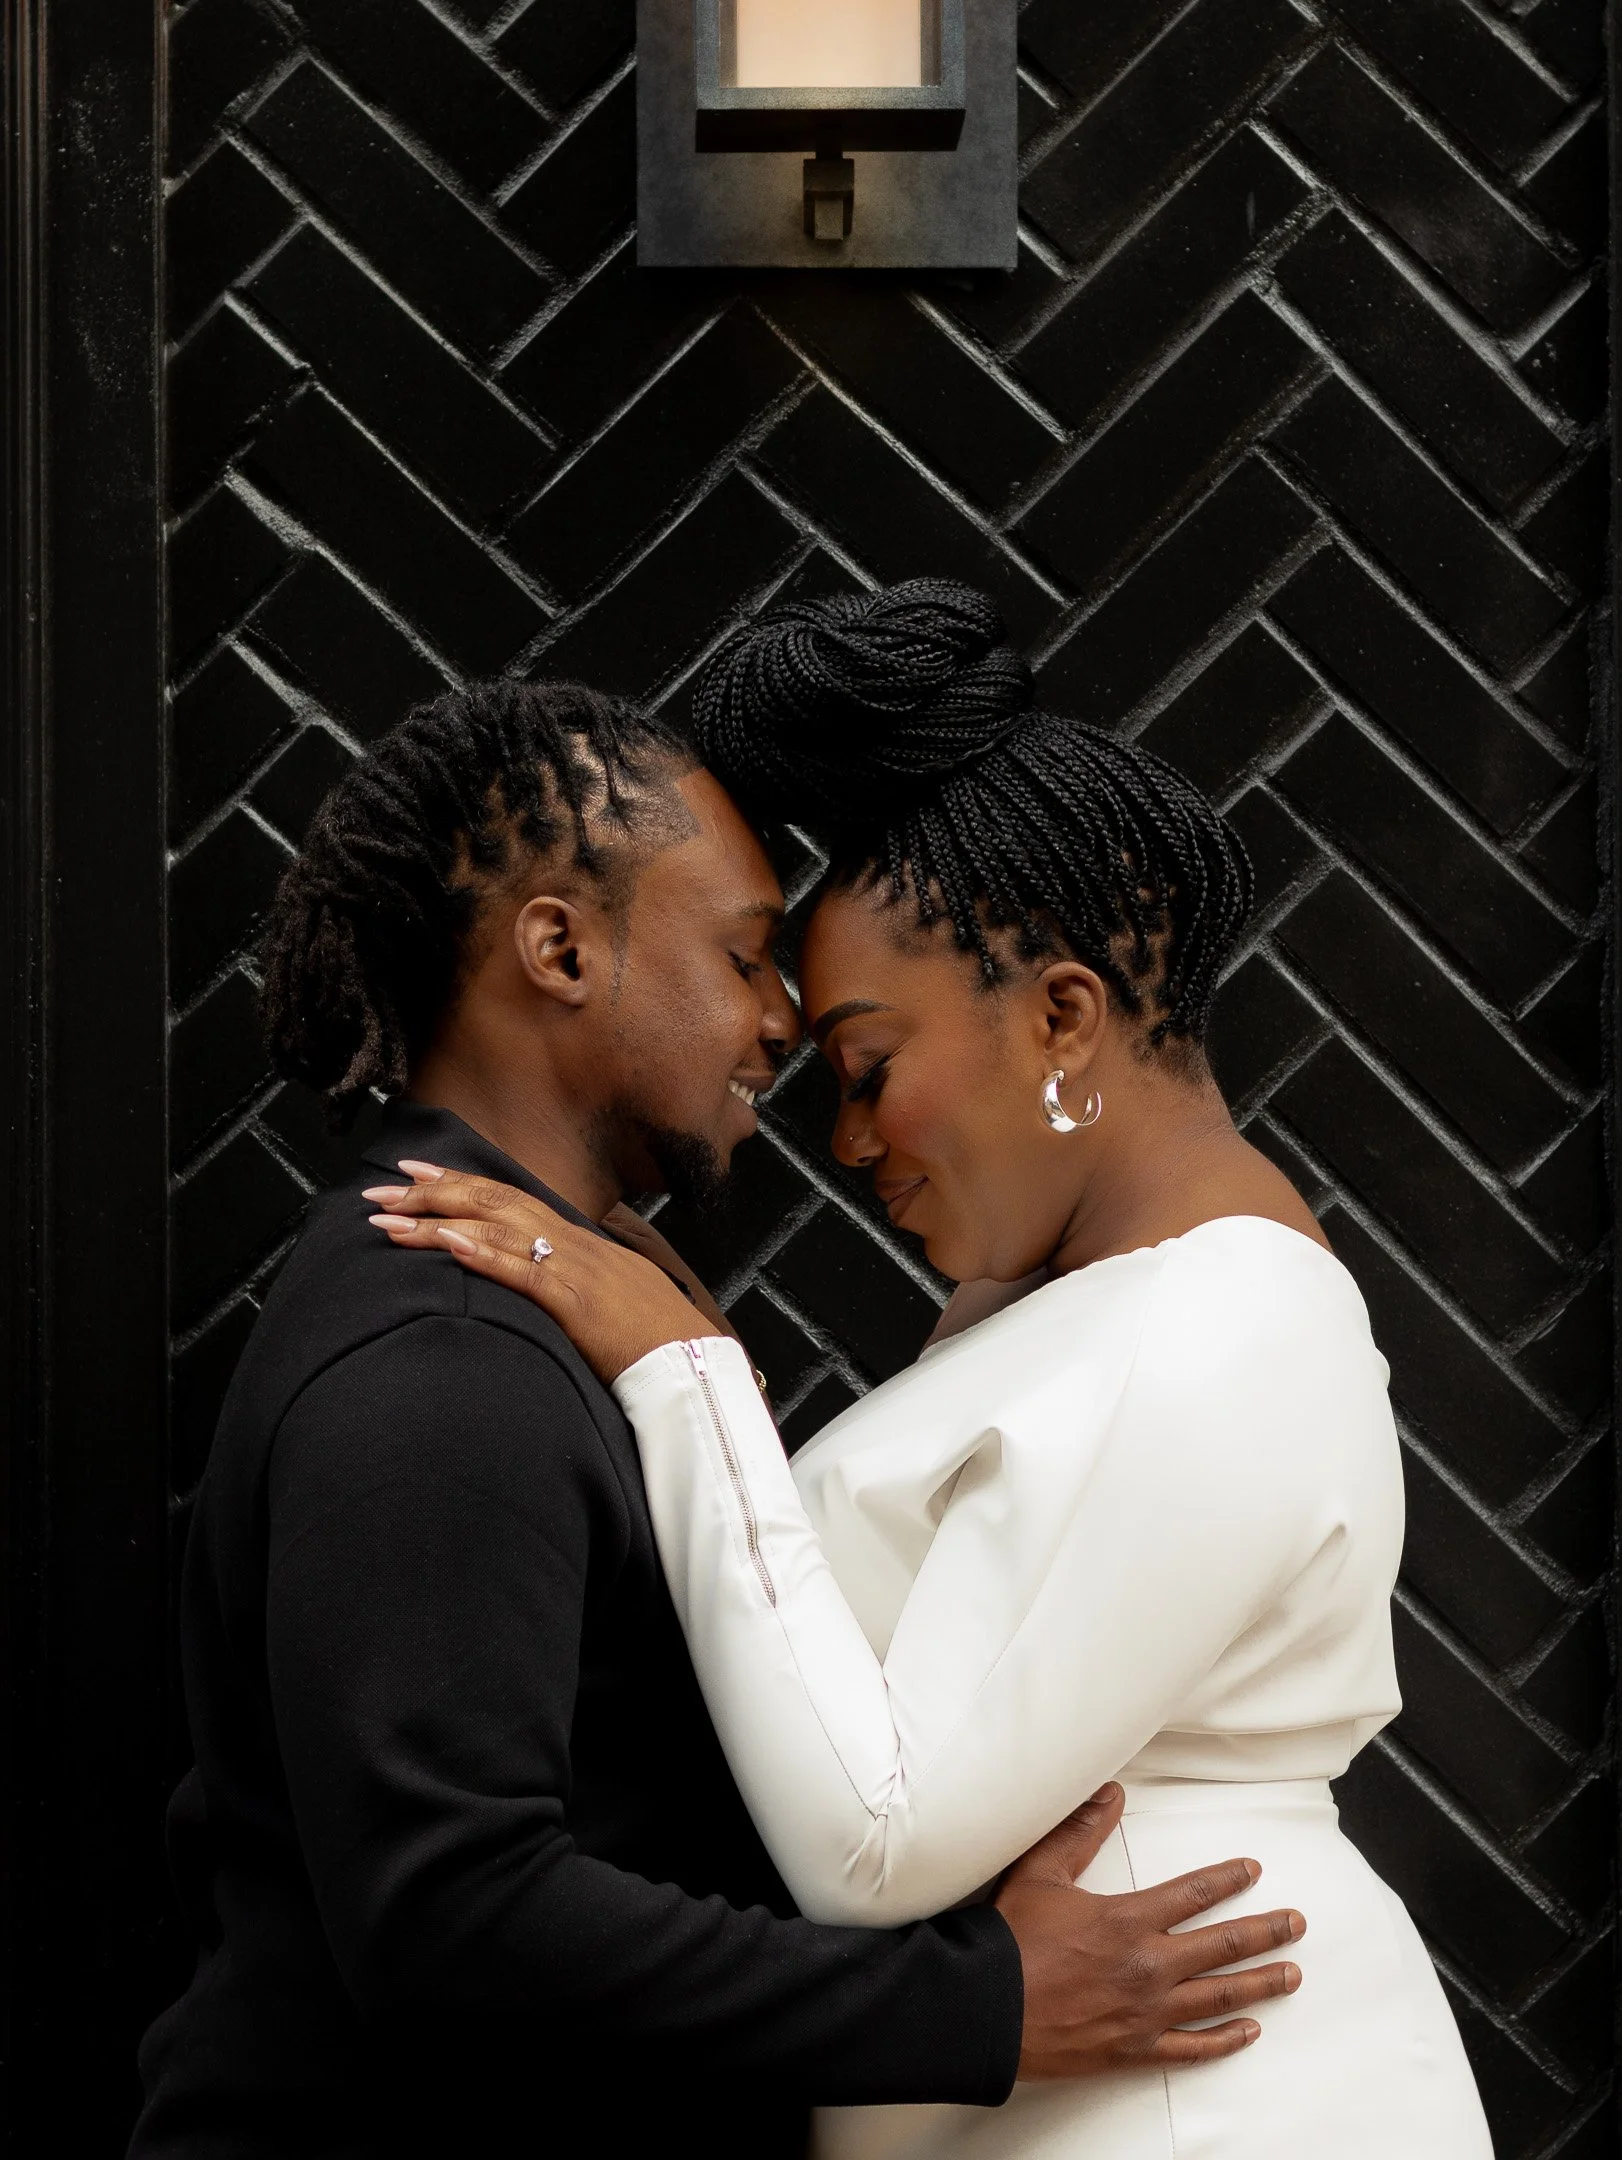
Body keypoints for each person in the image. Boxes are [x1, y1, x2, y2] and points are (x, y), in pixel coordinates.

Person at [370, 587, 1494, 2159]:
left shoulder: (1218, 1331)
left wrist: (686, 1381)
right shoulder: (1094, 1316)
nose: (842, 1143)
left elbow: (877, 1843)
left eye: (866, 1065)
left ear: (1059, 1015)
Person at [129, 679, 1306, 2160]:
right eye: (745, 955)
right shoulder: (443, 1345)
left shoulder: (549, 1311)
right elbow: (452, 1916)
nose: (778, 1022)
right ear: (559, 946)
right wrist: (977, 2009)